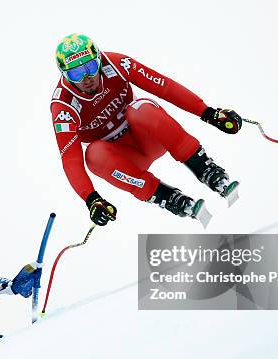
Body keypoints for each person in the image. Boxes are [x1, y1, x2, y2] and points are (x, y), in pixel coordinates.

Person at [51, 33, 242, 228]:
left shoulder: (115, 64)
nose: (87, 78)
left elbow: (164, 87)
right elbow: (70, 159)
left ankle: (206, 169)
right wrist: (91, 199)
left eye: (90, 67)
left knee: (140, 109)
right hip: (125, 159)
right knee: (93, 155)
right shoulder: (64, 106)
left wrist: (208, 113)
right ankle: (167, 198)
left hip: (148, 138)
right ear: (64, 75)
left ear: (99, 60)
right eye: (76, 73)